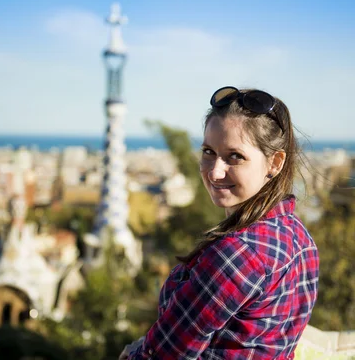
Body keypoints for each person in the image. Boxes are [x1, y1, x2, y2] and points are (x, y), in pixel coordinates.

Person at [122, 86, 319, 359]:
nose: (215, 171)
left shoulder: (238, 255)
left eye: (234, 156)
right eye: (208, 151)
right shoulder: (301, 239)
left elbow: (164, 354)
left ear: (275, 162)